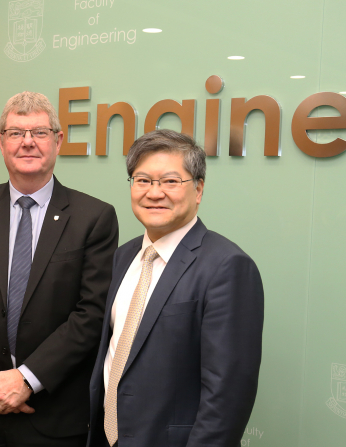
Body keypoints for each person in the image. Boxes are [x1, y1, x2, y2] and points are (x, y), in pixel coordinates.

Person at [0, 91, 119, 446]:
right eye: (16, 133)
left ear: (58, 140)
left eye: (39, 132)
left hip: (52, 415)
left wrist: (25, 380)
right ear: (1, 142)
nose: (27, 143)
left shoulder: (94, 218)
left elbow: (91, 313)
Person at [87, 129, 264, 447]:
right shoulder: (124, 256)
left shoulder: (227, 267)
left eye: (170, 181)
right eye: (142, 181)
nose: (154, 193)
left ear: (198, 189)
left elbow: (226, 398)